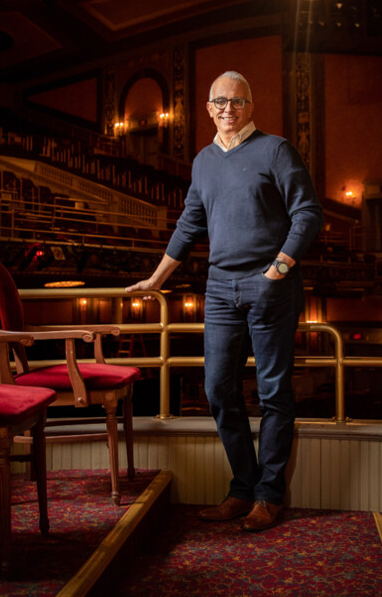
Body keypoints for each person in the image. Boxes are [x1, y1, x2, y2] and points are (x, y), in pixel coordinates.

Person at [126, 70, 323, 532]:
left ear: (250, 107)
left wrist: (278, 268)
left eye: (237, 101)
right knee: (218, 391)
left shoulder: (275, 150)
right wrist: (156, 278)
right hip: (218, 289)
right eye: (220, 102)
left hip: (269, 286)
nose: (228, 109)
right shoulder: (203, 161)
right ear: (209, 109)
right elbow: (189, 225)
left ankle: (269, 497)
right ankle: (243, 487)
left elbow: (308, 211)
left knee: (274, 393)